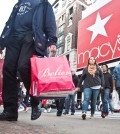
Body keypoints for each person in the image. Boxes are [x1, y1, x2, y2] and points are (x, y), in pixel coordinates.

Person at [0, 0, 57, 121]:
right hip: (13, 39)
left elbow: (50, 22)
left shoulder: (43, 3)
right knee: (8, 70)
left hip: (31, 36)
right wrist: (1, 43)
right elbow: (9, 23)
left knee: (23, 66)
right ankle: (10, 111)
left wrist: (52, 40)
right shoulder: (19, 3)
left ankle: (35, 100)